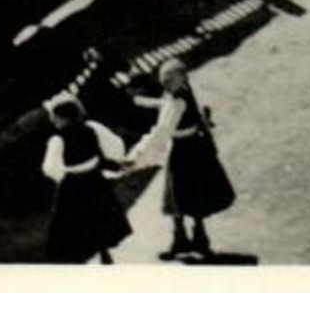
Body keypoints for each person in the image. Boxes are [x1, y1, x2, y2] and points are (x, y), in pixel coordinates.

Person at [127, 59, 237, 261]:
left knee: (179, 194)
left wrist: (136, 155)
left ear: (183, 78)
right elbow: (169, 105)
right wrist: (145, 102)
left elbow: (162, 130)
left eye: (170, 80)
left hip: (183, 151)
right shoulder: (183, 92)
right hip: (196, 147)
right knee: (192, 194)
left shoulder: (178, 101)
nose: (166, 83)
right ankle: (194, 240)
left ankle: (186, 239)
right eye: (164, 80)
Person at [40, 94, 131, 265]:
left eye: (54, 117)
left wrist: (62, 177)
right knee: (97, 218)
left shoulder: (58, 140)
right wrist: (114, 165)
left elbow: (49, 168)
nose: (52, 121)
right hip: (95, 181)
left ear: (62, 117)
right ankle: (104, 253)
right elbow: (103, 153)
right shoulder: (90, 129)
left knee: (72, 225)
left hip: (73, 185)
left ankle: (80, 259)